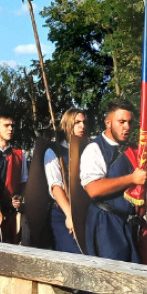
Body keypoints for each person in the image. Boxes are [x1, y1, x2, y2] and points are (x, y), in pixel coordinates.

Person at [80, 98, 147, 294]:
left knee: (128, 291)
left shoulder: (133, 149)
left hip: (128, 224)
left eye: (130, 122)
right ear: (108, 121)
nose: (127, 126)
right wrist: (132, 179)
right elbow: (93, 189)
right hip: (105, 222)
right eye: (121, 121)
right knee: (111, 291)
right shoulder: (94, 148)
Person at [44, 108, 86, 254]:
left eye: (84, 122)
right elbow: (56, 187)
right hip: (63, 213)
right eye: (77, 122)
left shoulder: (87, 150)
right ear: (68, 124)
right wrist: (69, 215)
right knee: (74, 256)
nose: (82, 126)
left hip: (84, 211)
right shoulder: (54, 152)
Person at [0, 114, 28, 245]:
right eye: (6, 125)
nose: (10, 129)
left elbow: (24, 181)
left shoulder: (20, 154)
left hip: (10, 212)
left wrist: (19, 197)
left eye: (12, 126)